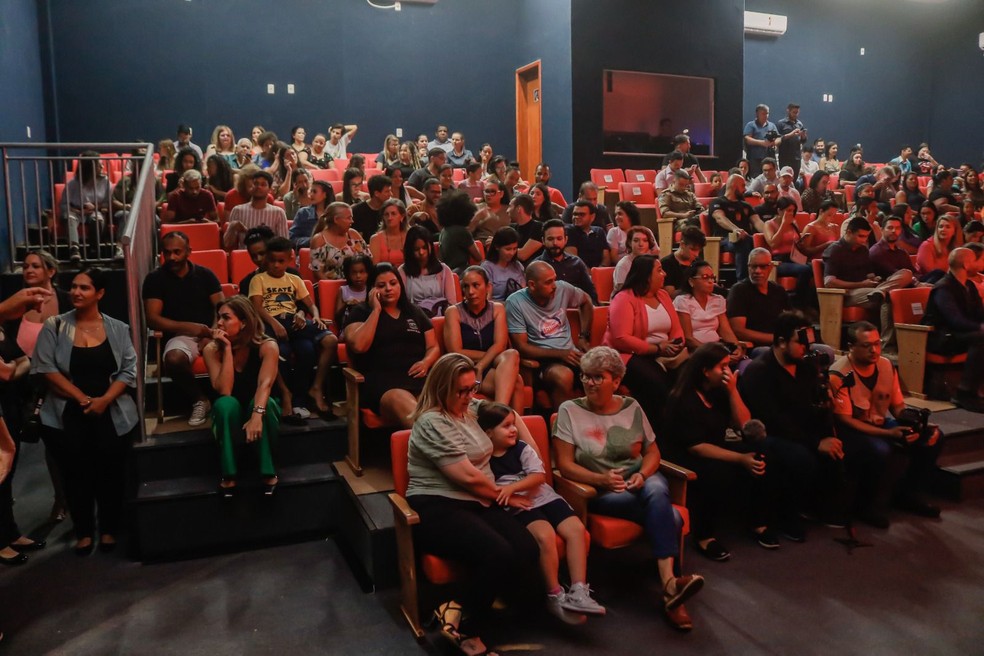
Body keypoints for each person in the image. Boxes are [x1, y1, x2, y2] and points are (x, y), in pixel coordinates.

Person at [553, 346, 704, 631]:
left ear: (616, 380)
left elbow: (653, 454)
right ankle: (672, 589)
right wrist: (602, 480)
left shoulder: (631, 406)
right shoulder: (569, 410)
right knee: (671, 516)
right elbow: (564, 465)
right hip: (602, 491)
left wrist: (644, 474)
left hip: (642, 481)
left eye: (598, 377)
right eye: (585, 376)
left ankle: (670, 587)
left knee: (656, 489)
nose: (589, 383)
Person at [404, 353, 539, 656]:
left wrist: (534, 455)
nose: (469, 396)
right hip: (437, 506)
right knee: (498, 552)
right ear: (441, 389)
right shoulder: (431, 421)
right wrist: (505, 495)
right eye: (461, 391)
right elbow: (466, 477)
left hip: (477, 502)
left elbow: (509, 415)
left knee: (527, 548)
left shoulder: (472, 409)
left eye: (472, 387)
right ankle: (466, 627)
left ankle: (460, 606)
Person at [32, 268, 138, 555]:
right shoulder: (54, 325)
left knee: (111, 473)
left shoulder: (118, 328)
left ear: (100, 293)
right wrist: (81, 398)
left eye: (84, 288)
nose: (76, 292)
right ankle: (83, 532)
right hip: (67, 413)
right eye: (74, 287)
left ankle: (108, 530)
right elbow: (45, 368)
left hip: (111, 412)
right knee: (76, 474)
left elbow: (129, 372)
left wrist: (103, 401)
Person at [478, 400, 604, 622]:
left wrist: (512, 488)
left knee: (575, 529)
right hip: (521, 506)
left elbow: (538, 476)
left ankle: (578, 589)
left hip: (544, 496)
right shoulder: (484, 459)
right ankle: (554, 594)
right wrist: (509, 494)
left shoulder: (521, 448)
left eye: (513, 424)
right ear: (488, 433)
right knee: (545, 536)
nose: (514, 429)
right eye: (506, 426)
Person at [664, 342, 781, 558]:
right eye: (722, 367)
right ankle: (704, 537)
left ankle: (758, 522)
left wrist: (733, 391)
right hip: (686, 454)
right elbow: (697, 447)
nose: (727, 371)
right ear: (705, 371)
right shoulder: (683, 398)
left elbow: (744, 426)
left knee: (762, 456)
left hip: (715, 445)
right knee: (718, 473)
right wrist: (739, 458)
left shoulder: (719, 391)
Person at [828, 322, 943, 525]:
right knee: (878, 450)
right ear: (851, 346)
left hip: (881, 424)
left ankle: (908, 494)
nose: (874, 350)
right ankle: (864, 506)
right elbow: (844, 419)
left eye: (877, 343)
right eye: (866, 345)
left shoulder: (886, 366)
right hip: (852, 430)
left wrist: (916, 423)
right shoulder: (839, 374)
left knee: (933, 437)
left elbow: (897, 407)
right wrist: (889, 434)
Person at [2, 251, 71, 523]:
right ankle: (5, 502)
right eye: (25, 266)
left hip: (57, 382)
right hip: (20, 383)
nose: (28, 270)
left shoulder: (67, 300)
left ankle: (62, 500)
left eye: (35, 266)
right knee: (12, 446)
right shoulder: (15, 305)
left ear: (50, 272)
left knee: (57, 447)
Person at [343, 262, 440, 428]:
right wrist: (376, 311)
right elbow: (359, 346)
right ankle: (438, 443)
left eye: (393, 283)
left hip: (418, 381)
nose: (388, 288)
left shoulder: (414, 311)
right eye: (381, 285)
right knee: (407, 405)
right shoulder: (360, 312)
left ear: (400, 285)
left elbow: (433, 347)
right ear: (372, 289)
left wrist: (426, 362)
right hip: (384, 386)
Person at [203, 296, 281, 497]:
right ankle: (229, 473)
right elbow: (225, 390)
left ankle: (267, 471)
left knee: (266, 404)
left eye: (226, 318)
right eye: (219, 318)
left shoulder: (267, 346)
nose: (219, 323)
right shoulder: (212, 350)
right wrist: (227, 349)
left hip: (260, 405)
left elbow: (266, 384)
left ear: (244, 322)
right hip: (231, 412)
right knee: (224, 404)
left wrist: (256, 415)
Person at [143, 231, 224, 426]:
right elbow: (152, 319)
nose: (172, 257)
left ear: (189, 251)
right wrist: (190, 328)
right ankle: (200, 400)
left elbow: (222, 308)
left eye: (177, 252)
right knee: (174, 358)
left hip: (212, 331)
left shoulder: (205, 275)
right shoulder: (155, 279)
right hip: (180, 336)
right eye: (167, 252)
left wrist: (211, 333)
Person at [249, 237, 336, 416]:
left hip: (293, 321)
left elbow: (310, 304)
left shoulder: (294, 278)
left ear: (289, 259)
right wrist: (274, 323)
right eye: (272, 261)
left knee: (327, 342)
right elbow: (256, 307)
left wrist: (315, 316)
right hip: (270, 322)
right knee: (281, 353)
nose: (276, 265)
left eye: (281, 261)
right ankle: (286, 396)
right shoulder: (258, 279)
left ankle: (314, 390)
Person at [604, 255, 685, 426]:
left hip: (666, 353)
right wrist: (656, 348)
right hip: (629, 356)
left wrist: (676, 345)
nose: (664, 274)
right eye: (659, 270)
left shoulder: (663, 295)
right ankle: (660, 435)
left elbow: (677, 329)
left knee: (691, 379)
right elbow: (621, 339)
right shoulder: (624, 298)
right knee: (660, 386)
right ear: (646, 275)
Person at [506, 261, 593, 409]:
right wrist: (560, 354)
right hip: (543, 360)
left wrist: (584, 336)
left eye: (554, 279)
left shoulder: (562, 289)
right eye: (548, 282)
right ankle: (564, 424)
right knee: (563, 376)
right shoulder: (515, 302)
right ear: (532, 285)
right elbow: (522, 347)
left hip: (571, 354)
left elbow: (586, 301)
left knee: (603, 370)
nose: (554, 286)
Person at [823, 217, 915, 345]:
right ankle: (886, 345)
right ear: (848, 232)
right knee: (888, 297)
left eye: (866, 236)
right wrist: (862, 284)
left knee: (906, 273)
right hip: (846, 293)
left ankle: (881, 291)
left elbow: (870, 274)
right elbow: (829, 282)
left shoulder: (863, 249)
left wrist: (874, 279)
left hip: (868, 289)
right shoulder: (835, 250)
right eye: (860, 236)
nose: (864, 240)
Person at [444, 267, 524, 410]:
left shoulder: (497, 308)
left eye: (476, 285)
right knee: (516, 382)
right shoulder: (453, 312)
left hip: (486, 366)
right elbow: (455, 351)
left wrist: (481, 365)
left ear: (488, 287)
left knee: (512, 354)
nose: (471, 292)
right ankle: (502, 419)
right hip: (464, 368)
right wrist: (488, 359)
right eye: (466, 287)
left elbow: (500, 344)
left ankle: (499, 414)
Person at [924, 248, 984, 412]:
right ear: (965, 264)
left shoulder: (969, 285)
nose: (979, 263)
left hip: (962, 334)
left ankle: (977, 389)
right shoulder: (943, 287)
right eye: (974, 259)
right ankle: (964, 392)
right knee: (981, 337)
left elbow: (979, 313)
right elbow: (954, 320)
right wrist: (980, 327)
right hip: (943, 338)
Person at [673, 261, 744, 359]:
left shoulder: (718, 300)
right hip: (695, 352)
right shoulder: (683, 301)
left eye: (712, 277)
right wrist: (713, 354)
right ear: (691, 281)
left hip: (717, 349)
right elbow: (688, 338)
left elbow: (726, 330)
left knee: (746, 365)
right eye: (705, 277)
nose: (711, 281)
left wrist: (736, 347)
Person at [726, 248, 793, 348]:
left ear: (770, 268)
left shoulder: (778, 290)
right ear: (748, 267)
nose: (757, 271)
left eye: (762, 267)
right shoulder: (739, 291)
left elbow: (790, 320)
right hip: (755, 347)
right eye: (753, 266)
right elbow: (738, 331)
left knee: (822, 349)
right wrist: (774, 338)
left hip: (780, 344)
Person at [709, 175, 767, 282]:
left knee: (755, 240)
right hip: (724, 240)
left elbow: (757, 222)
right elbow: (719, 218)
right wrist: (735, 229)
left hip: (745, 237)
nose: (745, 189)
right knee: (742, 241)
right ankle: (743, 281)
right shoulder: (718, 202)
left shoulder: (746, 205)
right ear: (734, 186)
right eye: (743, 185)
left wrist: (769, 233)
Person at [62, 151, 113, 263]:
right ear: (90, 167)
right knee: (69, 218)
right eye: (99, 165)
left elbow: (108, 204)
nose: (102, 167)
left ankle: (94, 249)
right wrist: (77, 210)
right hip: (76, 211)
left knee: (97, 219)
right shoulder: (73, 184)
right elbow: (64, 205)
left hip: (95, 211)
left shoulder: (105, 182)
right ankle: (74, 249)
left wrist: (95, 207)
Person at [763, 197, 814, 304]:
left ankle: (811, 304)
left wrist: (801, 242)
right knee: (804, 270)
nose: (791, 213)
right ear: (779, 210)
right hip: (779, 260)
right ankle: (797, 302)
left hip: (793, 257)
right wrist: (783, 224)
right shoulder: (769, 224)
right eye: (788, 210)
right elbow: (773, 243)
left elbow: (795, 242)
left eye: (793, 211)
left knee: (814, 267)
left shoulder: (793, 224)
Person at [399, 225, 456, 317]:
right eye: (416, 249)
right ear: (410, 250)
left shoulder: (444, 270)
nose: (421, 252)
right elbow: (401, 304)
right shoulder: (403, 271)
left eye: (424, 247)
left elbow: (451, 303)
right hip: (414, 318)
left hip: (441, 317)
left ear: (431, 246)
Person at [536, 219, 598, 303]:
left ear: (566, 240)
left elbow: (591, 292)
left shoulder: (576, 262)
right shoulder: (537, 266)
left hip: (578, 311)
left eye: (559, 238)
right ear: (543, 241)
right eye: (550, 239)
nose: (555, 243)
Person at [223, 171, 288, 250]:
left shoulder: (279, 213)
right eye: (255, 183)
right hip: (244, 257)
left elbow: (284, 245)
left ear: (270, 189)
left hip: (270, 258)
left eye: (263, 184)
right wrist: (232, 227)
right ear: (251, 187)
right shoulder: (237, 210)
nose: (258, 187)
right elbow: (227, 244)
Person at [308, 202, 368, 282]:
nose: (352, 221)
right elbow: (318, 273)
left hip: (357, 285)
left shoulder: (354, 235)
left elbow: (368, 261)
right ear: (336, 219)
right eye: (349, 218)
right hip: (330, 287)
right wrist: (335, 287)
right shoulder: (319, 240)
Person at [438, 192, 483, 275]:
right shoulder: (462, 232)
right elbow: (478, 257)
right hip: (460, 273)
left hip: (447, 272)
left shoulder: (444, 230)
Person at [481, 227, 526, 302]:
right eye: (508, 249)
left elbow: (524, 291)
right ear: (497, 247)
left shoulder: (517, 265)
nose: (512, 253)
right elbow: (487, 300)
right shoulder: (487, 267)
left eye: (514, 249)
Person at [290, 180, 336, 250]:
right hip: (308, 251)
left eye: (314, 192)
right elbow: (292, 238)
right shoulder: (303, 213)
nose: (311, 194)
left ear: (325, 194)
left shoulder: (335, 213)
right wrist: (312, 241)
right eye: (311, 191)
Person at [869, 215, 918, 280]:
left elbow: (914, 272)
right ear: (882, 230)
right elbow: (893, 273)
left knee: (935, 274)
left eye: (897, 228)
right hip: (891, 285)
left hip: (912, 284)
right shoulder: (876, 251)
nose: (894, 231)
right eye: (890, 227)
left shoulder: (902, 252)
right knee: (905, 274)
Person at [661, 227, 706, 297]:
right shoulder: (667, 263)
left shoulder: (698, 263)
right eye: (693, 249)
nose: (696, 254)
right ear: (682, 244)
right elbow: (670, 294)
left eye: (699, 251)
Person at [566, 201, 610, 269]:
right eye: (575, 214)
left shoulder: (599, 231)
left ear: (592, 217)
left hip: (599, 272)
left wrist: (600, 271)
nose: (577, 217)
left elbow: (606, 257)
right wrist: (590, 274)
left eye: (581, 214)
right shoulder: (568, 230)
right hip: (579, 274)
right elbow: (574, 259)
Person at [614, 226, 658, 293]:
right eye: (636, 240)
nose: (641, 244)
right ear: (629, 243)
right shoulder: (623, 265)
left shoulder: (652, 263)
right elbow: (622, 292)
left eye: (645, 240)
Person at [915, 214, 957, 282]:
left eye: (947, 227)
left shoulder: (955, 249)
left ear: (954, 231)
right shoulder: (926, 246)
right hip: (928, 281)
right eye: (940, 227)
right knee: (938, 273)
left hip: (947, 282)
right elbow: (930, 271)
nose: (943, 229)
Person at [368, 198, 409, 267]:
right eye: (386, 214)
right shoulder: (375, 239)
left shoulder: (410, 236)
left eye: (393, 214)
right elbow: (375, 268)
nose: (389, 218)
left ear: (402, 217)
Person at [742, 104, 780, 177]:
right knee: (755, 177)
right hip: (755, 158)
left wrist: (774, 144)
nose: (766, 116)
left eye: (767, 113)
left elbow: (778, 138)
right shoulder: (751, 125)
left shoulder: (772, 125)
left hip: (769, 158)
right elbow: (747, 139)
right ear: (757, 114)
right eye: (763, 114)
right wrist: (762, 143)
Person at [334, 253, 371, 327]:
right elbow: (337, 316)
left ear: (368, 273)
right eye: (354, 273)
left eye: (362, 272)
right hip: (348, 327)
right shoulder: (343, 290)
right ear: (348, 274)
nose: (358, 276)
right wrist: (347, 304)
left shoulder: (371, 290)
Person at [353, 174, 393, 240]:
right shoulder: (358, 211)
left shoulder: (391, 208)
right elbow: (357, 239)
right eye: (387, 191)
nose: (391, 194)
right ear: (376, 193)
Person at [509, 193, 544, 263]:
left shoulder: (538, 228)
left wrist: (501, 247)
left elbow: (523, 255)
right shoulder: (511, 228)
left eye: (510, 206)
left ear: (519, 209)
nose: (507, 210)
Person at [776, 103, 807, 177]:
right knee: (785, 177)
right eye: (794, 112)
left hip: (796, 157)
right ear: (788, 111)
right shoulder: (781, 123)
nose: (795, 114)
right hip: (785, 156)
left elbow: (803, 141)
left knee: (795, 178)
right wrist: (791, 134)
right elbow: (777, 139)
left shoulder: (799, 124)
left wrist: (803, 135)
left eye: (797, 112)